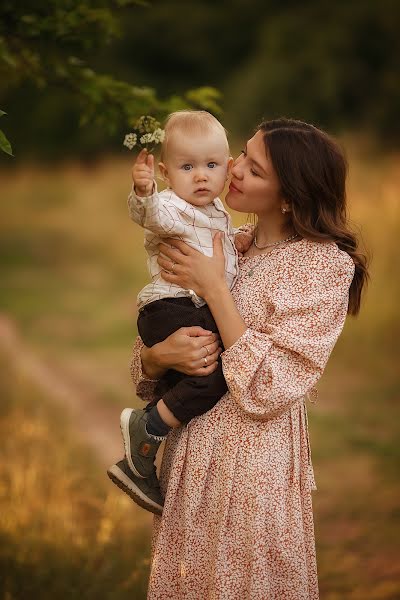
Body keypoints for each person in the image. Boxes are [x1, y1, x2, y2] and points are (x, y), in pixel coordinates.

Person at [116, 118, 369, 599]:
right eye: (241, 155)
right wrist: (154, 359)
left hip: (253, 466)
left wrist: (213, 286)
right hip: (190, 453)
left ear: (289, 196)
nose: (232, 170)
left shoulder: (322, 265)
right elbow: (165, 341)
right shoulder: (228, 243)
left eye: (253, 169)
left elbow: (273, 385)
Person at [107, 111, 254, 515]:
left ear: (227, 167)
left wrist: (235, 249)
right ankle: (148, 426)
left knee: (193, 378)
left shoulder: (218, 212)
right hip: (171, 307)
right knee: (217, 372)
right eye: (188, 168)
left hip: (181, 307)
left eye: (211, 165)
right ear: (169, 174)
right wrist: (144, 192)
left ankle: (141, 461)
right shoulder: (172, 205)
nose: (201, 177)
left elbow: (217, 249)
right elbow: (151, 215)